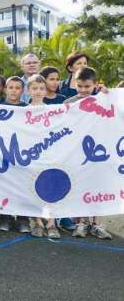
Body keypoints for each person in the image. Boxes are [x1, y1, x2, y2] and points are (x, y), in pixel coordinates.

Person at [64, 67, 112, 239]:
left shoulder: (104, 99)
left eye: (87, 86)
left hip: (101, 152)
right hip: (78, 152)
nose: (83, 90)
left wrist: (107, 94)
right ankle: (81, 223)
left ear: (95, 84)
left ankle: (97, 224)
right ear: (75, 84)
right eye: (80, 86)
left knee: (99, 187)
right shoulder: (69, 103)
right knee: (82, 186)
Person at [25, 75, 62, 239]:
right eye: (35, 88)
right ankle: (38, 223)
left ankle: (52, 223)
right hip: (30, 156)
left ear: (46, 91)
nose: (38, 92)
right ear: (28, 90)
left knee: (50, 189)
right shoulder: (22, 111)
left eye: (41, 88)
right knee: (33, 188)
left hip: (49, 154)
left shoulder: (52, 111)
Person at [0, 77, 30, 234]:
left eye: (17, 88)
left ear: (22, 91)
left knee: (23, 186)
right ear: (5, 89)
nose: (14, 90)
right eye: (11, 87)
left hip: (24, 154)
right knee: (5, 186)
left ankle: (23, 219)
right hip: (3, 153)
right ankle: (5, 217)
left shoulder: (29, 109)